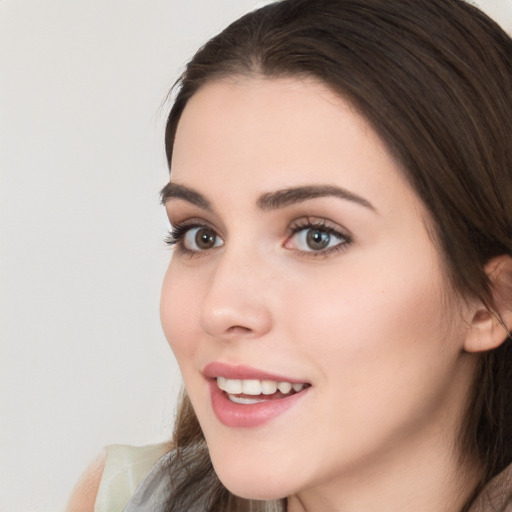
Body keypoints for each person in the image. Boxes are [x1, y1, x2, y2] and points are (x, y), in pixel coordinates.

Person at [67, 0, 512, 510]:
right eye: (200, 235)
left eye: (316, 237)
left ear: (489, 302)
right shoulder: (123, 497)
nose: (219, 309)